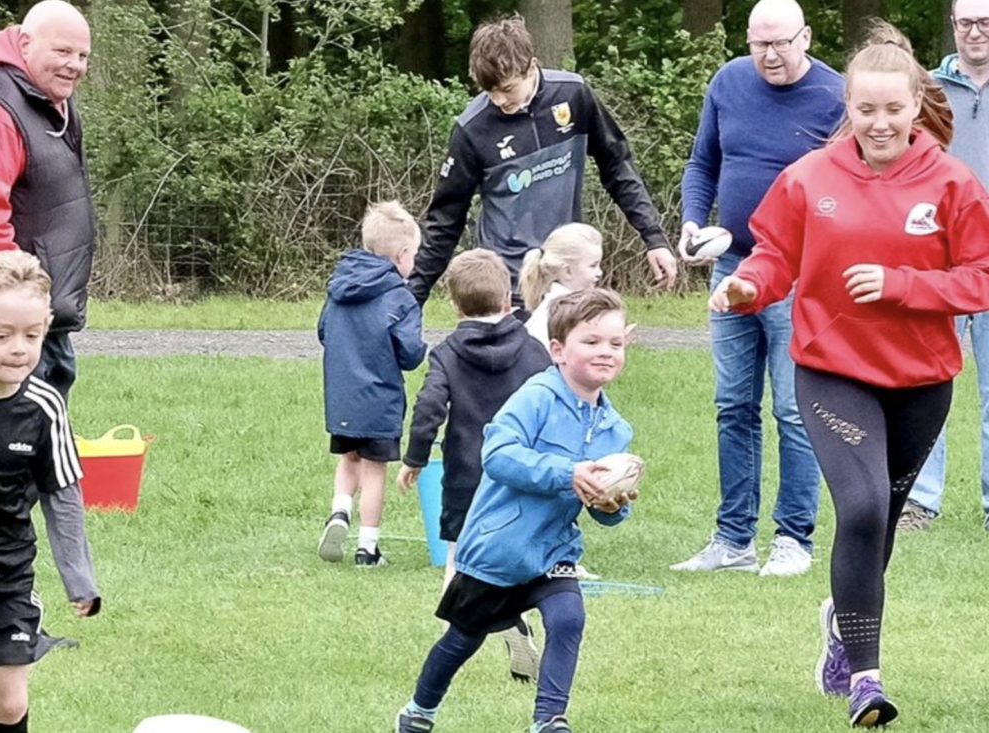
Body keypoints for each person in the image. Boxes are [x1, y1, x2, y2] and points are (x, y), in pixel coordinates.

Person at [709, 21, 989, 727]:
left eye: (893, 109)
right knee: (860, 508)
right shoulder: (809, 178)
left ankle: (842, 617)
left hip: (922, 382)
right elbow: (774, 255)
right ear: (849, 108)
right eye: (865, 110)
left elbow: (979, 278)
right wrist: (747, 285)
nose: (879, 122)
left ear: (916, 104)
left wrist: (901, 284)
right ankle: (865, 676)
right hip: (832, 370)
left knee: (881, 522)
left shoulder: (953, 184)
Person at [396, 289, 638, 733]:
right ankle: (418, 711)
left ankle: (548, 721)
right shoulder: (537, 396)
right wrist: (567, 472)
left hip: (552, 550)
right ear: (558, 350)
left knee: (568, 618)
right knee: (462, 639)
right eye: (592, 341)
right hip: (498, 549)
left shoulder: (615, 428)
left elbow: (600, 507)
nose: (605, 352)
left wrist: (611, 506)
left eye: (615, 343)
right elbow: (499, 454)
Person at [671, 0, 844, 577]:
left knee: (794, 410)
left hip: (799, 276)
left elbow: (847, 192)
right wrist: (693, 221)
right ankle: (732, 539)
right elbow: (702, 164)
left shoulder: (835, 96)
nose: (769, 55)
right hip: (732, 268)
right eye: (758, 44)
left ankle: (794, 539)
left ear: (806, 38)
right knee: (733, 406)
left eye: (780, 43)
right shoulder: (728, 82)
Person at [407, 14, 676, 310]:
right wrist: (412, 298)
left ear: (531, 67)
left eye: (507, 89)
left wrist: (654, 238)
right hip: (507, 287)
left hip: (567, 278)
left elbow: (618, 168)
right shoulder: (472, 129)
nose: (498, 101)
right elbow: (445, 221)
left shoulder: (574, 95)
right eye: (489, 91)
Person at [397, 249, 551, 682]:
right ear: (508, 300)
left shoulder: (447, 353)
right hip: (522, 477)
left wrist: (415, 458)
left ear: (455, 306)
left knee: (458, 560)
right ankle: (513, 618)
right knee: (517, 558)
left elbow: (429, 406)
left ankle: (461, 644)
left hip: (466, 476)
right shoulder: (533, 349)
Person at [0, 250, 101, 733]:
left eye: (32, 335)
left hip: (7, 573)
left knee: (8, 703)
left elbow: (62, 496)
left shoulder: (44, 406)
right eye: (1, 336)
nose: (19, 348)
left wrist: (79, 579)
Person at [0, 0, 94, 403]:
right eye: (62, 51)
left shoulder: (48, 97)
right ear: (24, 43)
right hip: (11, 325)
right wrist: (23, 301)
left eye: (82, 55)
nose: (74, 65)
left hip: (43, 320)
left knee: (42, 447)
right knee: (2, 451)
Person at [897, 0, 989, 533]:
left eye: (984, 22)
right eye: (965, 22)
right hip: (937, 258)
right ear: (952, 25)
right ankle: (918, 503)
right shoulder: (924, 91)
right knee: (926, 382)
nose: (974, 32)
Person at [317, 201, 427, 567]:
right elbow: (410, 354)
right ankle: (368, 547)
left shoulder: (339, 288)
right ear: (403, 254)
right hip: (380, 399)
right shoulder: (400, 297)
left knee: (348, 458)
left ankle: (339, 512)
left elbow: (323, 332)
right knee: (374, 470)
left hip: (342, 395)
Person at [520, 223, 603, 350]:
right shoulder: (560, 314)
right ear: (567, 272)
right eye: (593, 265)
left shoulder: (569, 308)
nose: (600, 273)